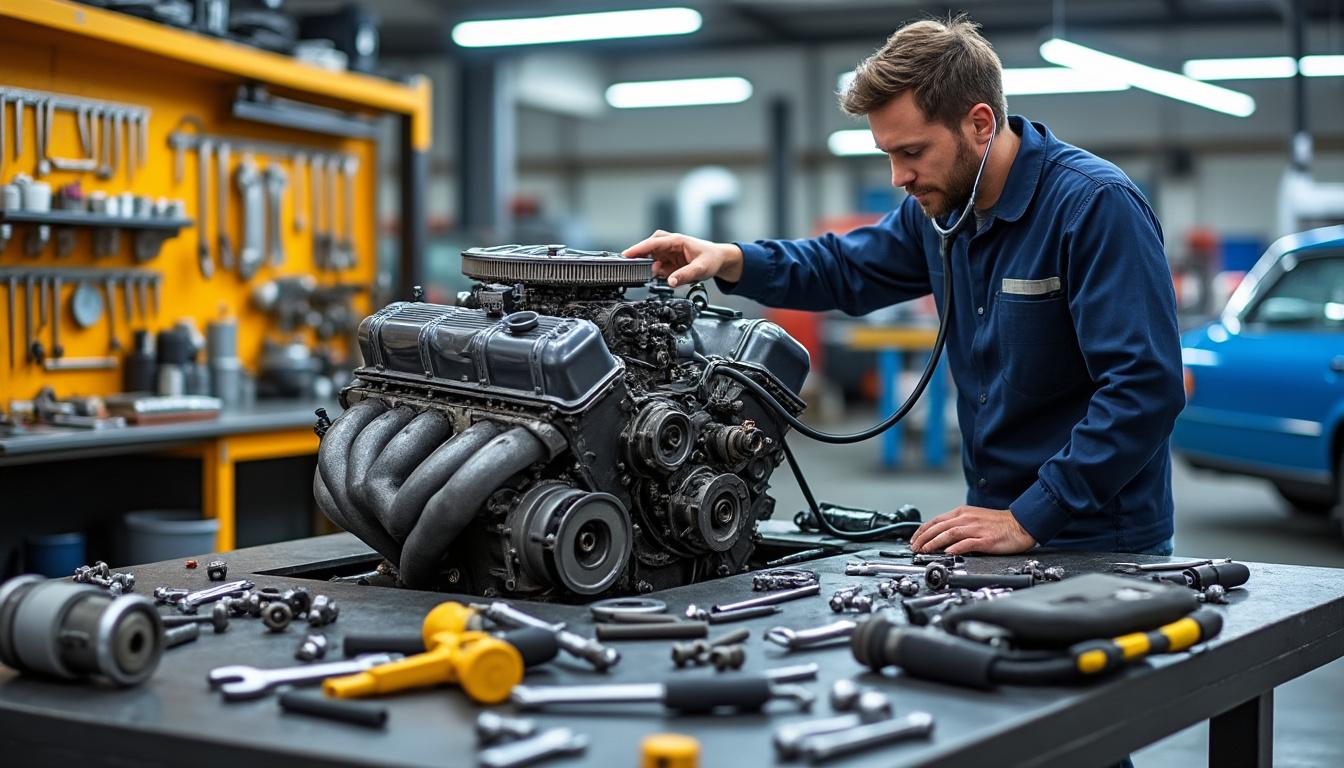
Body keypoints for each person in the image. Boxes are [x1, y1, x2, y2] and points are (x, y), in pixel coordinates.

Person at [623, 16, 1185, 558]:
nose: (898, 177)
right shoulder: (942, 212)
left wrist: (1031, 515)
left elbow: (1143, 390)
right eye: (889, 155)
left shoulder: (1094, 207)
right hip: (991, 525)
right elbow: (844, 267)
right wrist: (731, 259)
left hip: (1098, 539)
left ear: (980, 124)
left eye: (912, 152)